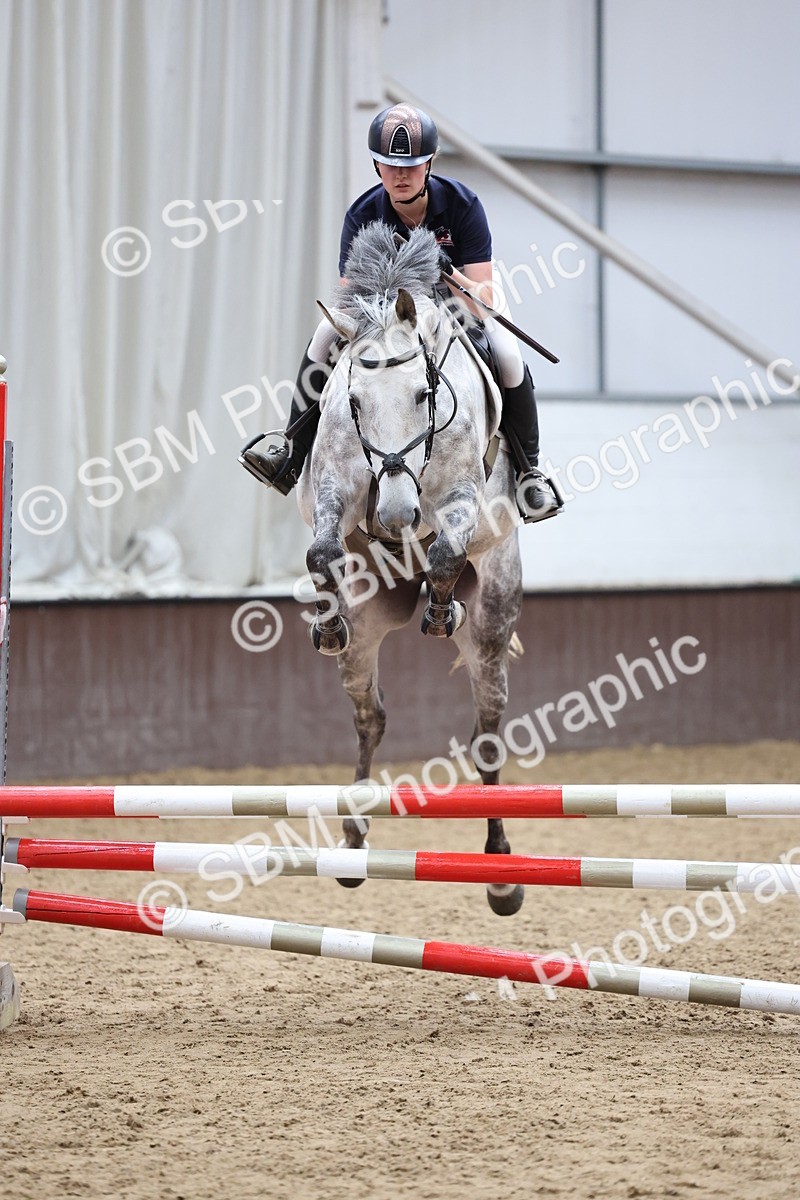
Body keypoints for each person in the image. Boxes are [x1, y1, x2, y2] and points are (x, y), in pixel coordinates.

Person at [241, 103, 561, 522]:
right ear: (377, 165)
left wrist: (442, 273)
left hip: (458, 303)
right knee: (323, 335)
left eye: (411, 165)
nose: (401, 175)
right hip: (385, 314)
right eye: (391, 165)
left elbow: (480, 290)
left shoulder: (463, 206)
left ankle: (528, 471)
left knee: (506, 351)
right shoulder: (362, 213)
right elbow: (348, 294)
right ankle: (291, 448)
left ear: (429, 163)